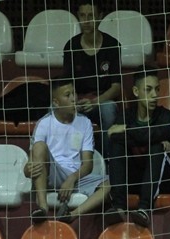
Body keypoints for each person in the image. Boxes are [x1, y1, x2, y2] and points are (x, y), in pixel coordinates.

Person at [106, 70, 170, 228]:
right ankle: (118, 207)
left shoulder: (166, 116)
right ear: (136, 91)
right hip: (135, 177)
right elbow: (114, 137)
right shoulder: (126, 116)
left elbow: (160, 133)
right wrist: (149, 135)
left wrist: (127, 130)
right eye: (148, 90)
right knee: (117, 146)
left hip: (164, 179)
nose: (154, 95)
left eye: (157, 89)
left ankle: (144, 209)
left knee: (157, 147)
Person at [24, 78, 109, 224]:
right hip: (51, 173)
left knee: (109, 185)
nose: (73, 98)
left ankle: (71, 215)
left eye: (74, 93)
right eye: (67, 95)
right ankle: (43, 208)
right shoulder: (44, 123)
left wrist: (71, 179)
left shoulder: (85, 122)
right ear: (56, 102)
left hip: (76, 178)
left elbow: (88, 164)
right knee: (39, 146)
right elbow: (31, 164)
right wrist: (27, 170)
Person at [62, 2, 121, 154]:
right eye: (82, 16)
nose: (86, 21)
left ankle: (108, 160)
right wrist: (74, 102)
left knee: (109, 110)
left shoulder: (112, 45)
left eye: (91, 16)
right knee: (55, 108)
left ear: (99, 17)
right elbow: (66, 84)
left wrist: (95, 102)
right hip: (78, 101)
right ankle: (68, 159)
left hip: (101, 101)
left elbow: (116, 87)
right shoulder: (71, 46)